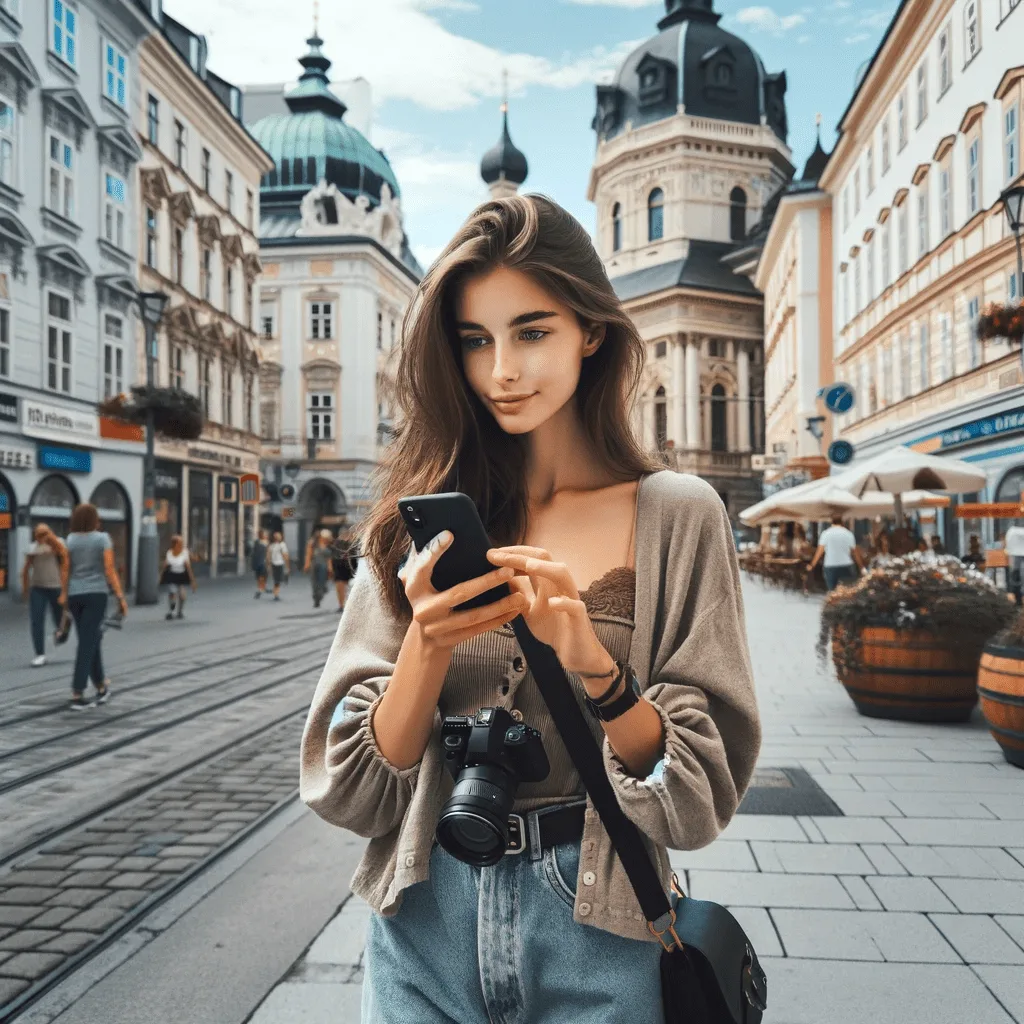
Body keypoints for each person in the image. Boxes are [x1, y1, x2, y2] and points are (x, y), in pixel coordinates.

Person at [299, 195, 761, 1023]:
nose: (501, 370)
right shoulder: (416, 519)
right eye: (475, 340)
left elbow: (697, 793)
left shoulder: (678, 514)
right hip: (425, 914)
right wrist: (427, 645)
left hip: (597, 919)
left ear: (591, 331)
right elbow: (352, 793)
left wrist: (596, 666)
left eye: (532, 332)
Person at [60, 503, 127, 710]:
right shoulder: (102, 538)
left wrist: (64, 594)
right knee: (87, 642)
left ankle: (101, 686)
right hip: (96, 594)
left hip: (75, 595)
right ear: (94, 519)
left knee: (90, 639)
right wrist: (120, 596)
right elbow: (109, 568)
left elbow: (66, 569)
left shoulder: (70, 540)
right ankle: (77, 692)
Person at [21, 525, 67, 667]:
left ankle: (62, 633)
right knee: (36, 620)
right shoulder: (33, 548)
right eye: (38, 535)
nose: (41, 538)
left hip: (56, 587)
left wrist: (51, 540)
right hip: (37, 588)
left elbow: (64, 557)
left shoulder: (59, 543)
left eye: (44, 534)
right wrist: (25, 588)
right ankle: (40, 654)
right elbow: (26, 568)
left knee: (60, 618)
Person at [807, 513, 864, 590]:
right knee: (846, 590)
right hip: (846, 565)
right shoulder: (848, 534)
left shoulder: (825, 534)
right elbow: (855, 552)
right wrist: (861, 567)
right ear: (842, 521)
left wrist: (812, 565)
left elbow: (819, 552)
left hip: (830, 566)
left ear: (832, 521)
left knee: (832, 591)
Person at [161, 535, 196, 620]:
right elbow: (165, 566)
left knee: (182, 595)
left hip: (181, 575)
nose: (182, 544)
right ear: (175, 544)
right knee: (172, 593)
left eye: (181, 543)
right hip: (172, 575)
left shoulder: (184, 553)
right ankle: (171, 611)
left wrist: (192, 581)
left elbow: (188, 567)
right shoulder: (170, 553)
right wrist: (161, 576)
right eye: (180, 543)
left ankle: (180, 612)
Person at [330, 529, 358, 612]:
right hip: (340, 566)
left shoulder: (354, 543)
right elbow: (333, 555)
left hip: (350, 566)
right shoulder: (338, 543)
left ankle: (346, 605)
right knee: (341, 586)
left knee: (348, 586)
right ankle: (342, 605)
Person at [305, 528, 333, 609]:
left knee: (322, 582)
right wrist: (307, 564)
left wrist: (330, 568)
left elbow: (329, 559)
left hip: (323, 567)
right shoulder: (313, 544)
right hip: (314, 566)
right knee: (314, 583)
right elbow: (308, 554)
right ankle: (316, 599)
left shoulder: (329, 545)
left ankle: (320, 595)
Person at [267, 532, 290, 601]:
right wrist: (288, 566)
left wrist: (269, 566)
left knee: (276, 580)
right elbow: (285, 556)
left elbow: (268, 557)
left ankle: (275, 593)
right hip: (280, 564)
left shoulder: (271, 546)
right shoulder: (282, 545)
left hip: (274, 564)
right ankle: (276, 594)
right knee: (278, 581)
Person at [251, 529, 269, 598]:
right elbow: (255, 553)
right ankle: (260, 589)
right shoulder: (258, 542)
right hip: (259, 562)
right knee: (260, 577)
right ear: (261, 535)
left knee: (263, 576)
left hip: (262, 562)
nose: (266, 535)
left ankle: (262, 588)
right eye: (264, 534)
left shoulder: (266, 542)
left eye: (266, 534)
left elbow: (268, 553)